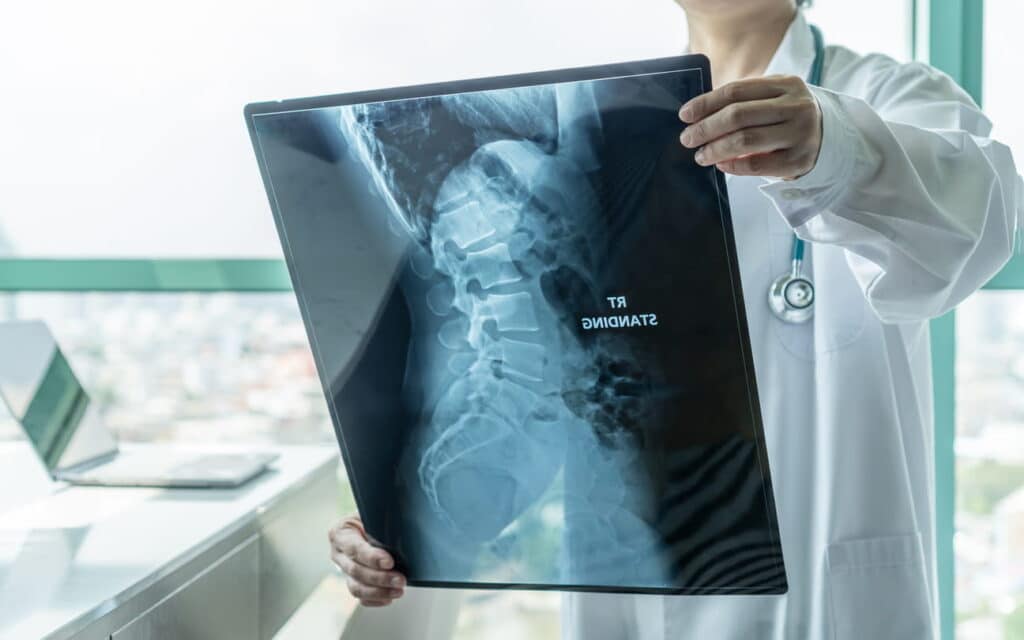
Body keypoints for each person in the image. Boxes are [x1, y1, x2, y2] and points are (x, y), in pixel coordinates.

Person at [328, 0, 1022, 637]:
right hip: (633, 586)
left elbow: (979, 220)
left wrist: (833, 147)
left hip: (817, 593)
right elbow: (536, 389)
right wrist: (401, 529)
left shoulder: (887, 96)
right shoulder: (587, 134)